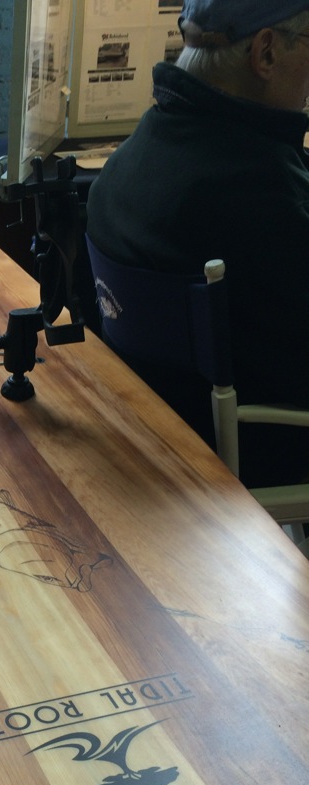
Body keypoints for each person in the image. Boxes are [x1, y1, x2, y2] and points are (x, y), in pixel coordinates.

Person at [86, 0, 309, 487]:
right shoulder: (264, 196)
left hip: (160, 437)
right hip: (262, 449)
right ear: (267, 53)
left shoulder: (122, 171)